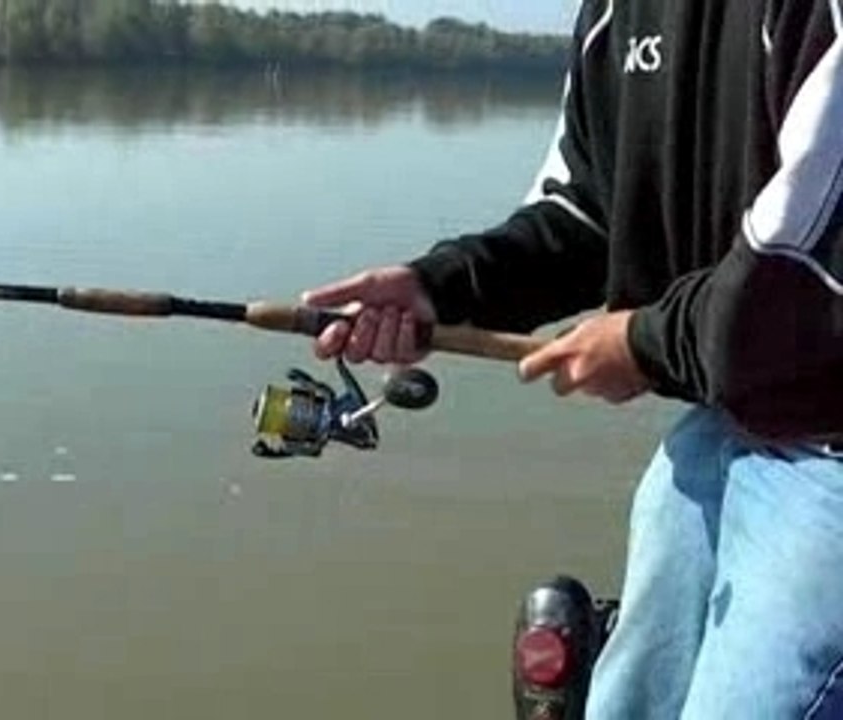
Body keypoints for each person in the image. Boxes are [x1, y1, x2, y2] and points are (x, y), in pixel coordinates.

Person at [302, 1, 843, 717]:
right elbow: (586, 214)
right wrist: (440, 287)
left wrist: (644, 344)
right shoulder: (613, 15)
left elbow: (811, 261)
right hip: (726, 413)